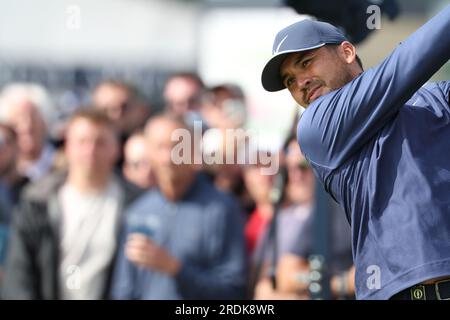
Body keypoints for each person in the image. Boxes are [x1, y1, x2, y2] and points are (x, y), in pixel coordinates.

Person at [261, 5, 450, 300]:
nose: (299, 83)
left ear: (348, 53)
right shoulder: (317, 125)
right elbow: (410, 60)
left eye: (306, 62)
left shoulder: (434, 97)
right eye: (288, 81)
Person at [1, 108, 142, 299]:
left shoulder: (136, 205)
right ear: (68, 147)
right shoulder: (38, 201)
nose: (90, 151)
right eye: (82, 142)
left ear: (116, 148)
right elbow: (20, 274)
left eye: (100, 142)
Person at [111, 114, 247, 299]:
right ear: (148, 153)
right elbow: (123, 289)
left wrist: (176, 269)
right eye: (160, 147)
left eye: (177, 147)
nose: (168, 157)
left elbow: (232, 290)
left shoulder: (222, 209)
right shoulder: (137, 212)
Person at [0, 83, 57, 182]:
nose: (26, 127)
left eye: (33, 118)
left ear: (45, 122)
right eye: (18, 119)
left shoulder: (66, 164)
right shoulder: (3, 173)